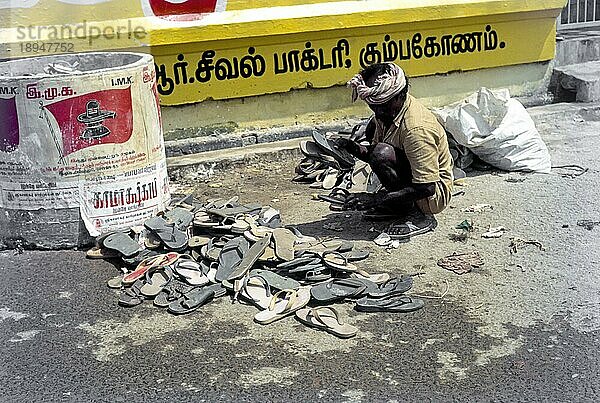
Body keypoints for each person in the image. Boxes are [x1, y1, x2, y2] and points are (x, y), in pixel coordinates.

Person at [337, 62, 454, 235]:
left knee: (381, 152)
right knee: (377, 144)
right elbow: (375, 156)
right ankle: (399, 206)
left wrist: (376, 199)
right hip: (416, 178)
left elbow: (427, 187)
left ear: (399, 96)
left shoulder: (417, 128)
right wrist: (350, 147)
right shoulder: (388, 110)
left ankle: (419, 216)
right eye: (373, 105)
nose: (376, 111)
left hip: (431, 195)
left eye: (381, 105)